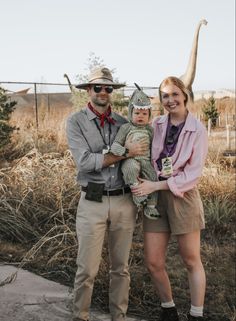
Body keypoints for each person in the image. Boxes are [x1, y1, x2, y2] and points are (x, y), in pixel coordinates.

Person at [66, 67, 147, 321]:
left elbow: (141, 155)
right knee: (87, 269)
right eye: (98, 87)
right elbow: (85, 161)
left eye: (108, 88)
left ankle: (118, 316)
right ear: (89, 90)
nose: (103, 92)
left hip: (124, 200)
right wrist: (125, 153)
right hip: (93, 200)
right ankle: (81, 315)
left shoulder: (124, 122)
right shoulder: (76, 121)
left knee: (121, 268)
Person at [132, 76, 208, 321]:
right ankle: (169, 308)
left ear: (184, 95)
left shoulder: (197, 129)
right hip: (155, 199)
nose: (170, 100)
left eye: (175, 94)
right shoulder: (157, 124)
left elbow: (192, 175)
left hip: (182, 196)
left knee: (191, 260)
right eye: (165, 96)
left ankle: (196, 314)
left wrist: (156, 185)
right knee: (153, 261)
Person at [111, 83, 160, 220]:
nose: (140, 116)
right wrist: (125, 151)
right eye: (137, 113)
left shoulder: (150, 130)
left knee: (153, 177)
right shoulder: (126, 128)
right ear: (130, 112)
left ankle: (151, 206)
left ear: (149, 115)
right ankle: (137, 192)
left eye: (144, 114)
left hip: (145, 160)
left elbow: (156, 147)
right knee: (130, 168)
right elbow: (115, 146)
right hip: (129, 159)